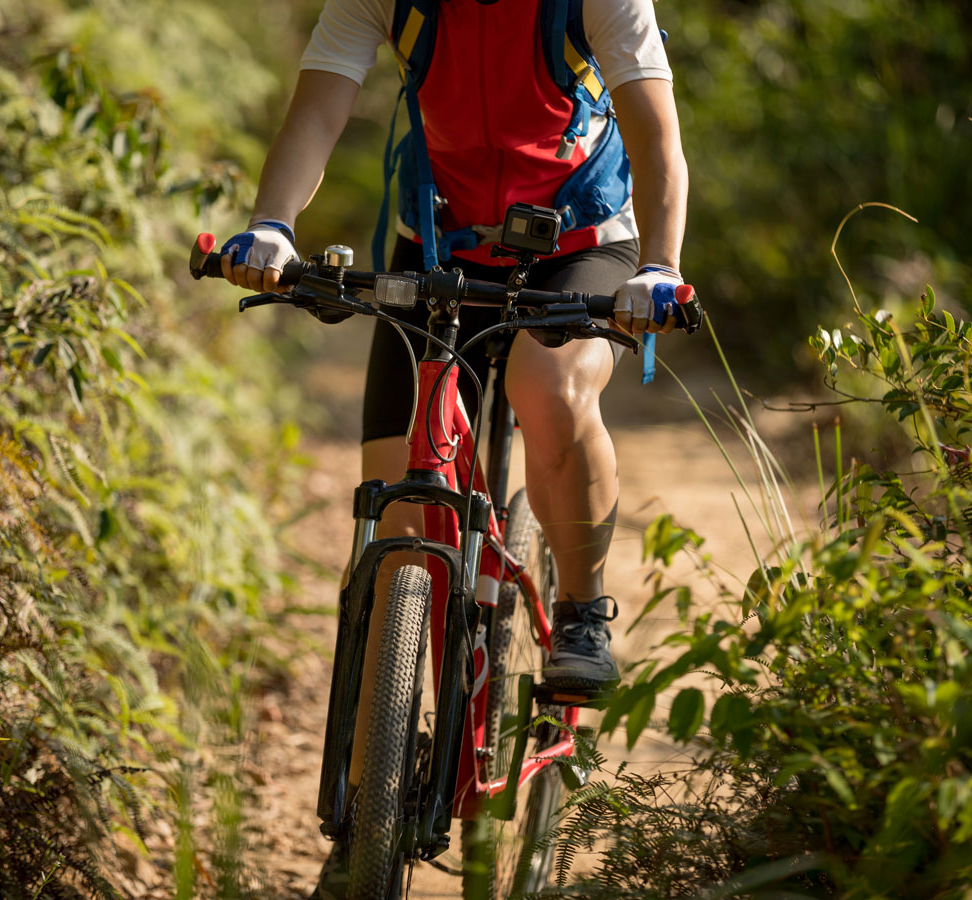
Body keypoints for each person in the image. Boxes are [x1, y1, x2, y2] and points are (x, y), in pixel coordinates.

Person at [219, 0, 686, 891]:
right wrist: (274, 223)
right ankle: (361, 826)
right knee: (395, 518)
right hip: (439, 242)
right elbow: (319, 105)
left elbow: (655, 132)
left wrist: (660, 263)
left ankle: (581, 612)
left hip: (583, 243)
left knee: (546, 392)